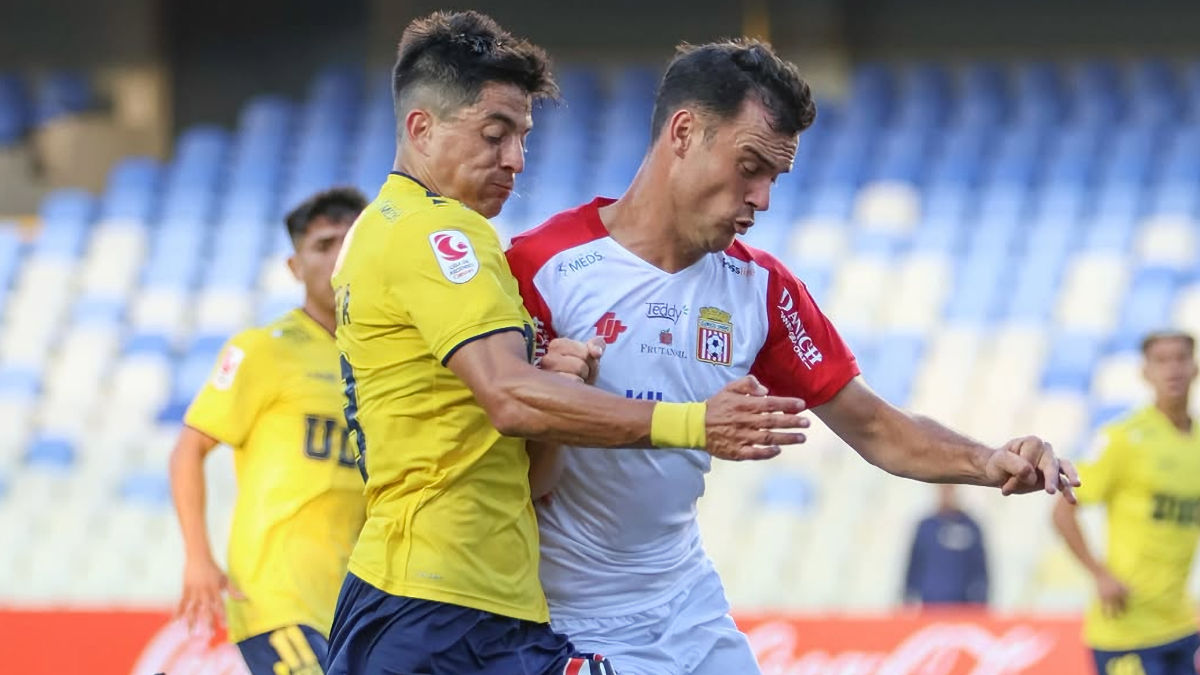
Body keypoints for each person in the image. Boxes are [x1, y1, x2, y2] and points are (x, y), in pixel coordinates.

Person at [505, 39, 1081, 675]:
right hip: (567, 616)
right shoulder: (539, 269)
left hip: (687, 606)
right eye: (750, 166)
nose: (762, 199)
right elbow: (503, 456)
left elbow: (876, 427)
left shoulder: (761, 290)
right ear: (684, 132)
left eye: (774, 178)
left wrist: (986, 459)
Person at [323, 12, 807, 675]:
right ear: (420, 127)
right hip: (432, 601)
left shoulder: (399, 232)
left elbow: (529, 462)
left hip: (487, 599)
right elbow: (509, 398)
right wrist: (693, 422)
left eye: (523, 137)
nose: (516, 160)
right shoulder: (436, 237)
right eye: (496, 136)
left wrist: (563, 390)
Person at [169, 187, 369, 675]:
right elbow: (188, 449)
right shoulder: (264, 349)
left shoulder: (384, 357)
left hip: (358, 597)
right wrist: (198, 558)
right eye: (323, 245)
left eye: (350, 242)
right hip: (277, 593)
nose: (339, 257)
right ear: (294, 266)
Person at [1053, 330, 1200, 675]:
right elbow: (1062, 512)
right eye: (1161, 361)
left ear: (1195, 367)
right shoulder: (1122, 438)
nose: (1173, 369)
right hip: (1125, 627)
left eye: (1181, 358)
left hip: (1180, 622)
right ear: (1145, 372)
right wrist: (1099, 573)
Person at [903, 485, 989, 607]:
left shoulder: (970, 527)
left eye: (949, 489)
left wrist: (981, 600)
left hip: (961, 607)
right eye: (943, 490)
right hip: (930, 606)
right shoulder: (926, 527)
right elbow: (914, 565)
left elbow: (980, 569)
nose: (946, 494)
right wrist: (908, 596)